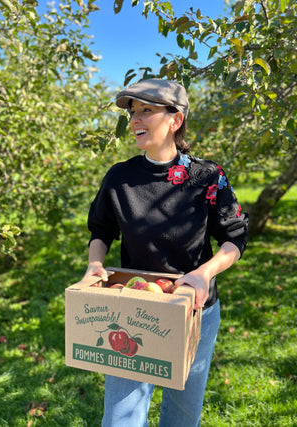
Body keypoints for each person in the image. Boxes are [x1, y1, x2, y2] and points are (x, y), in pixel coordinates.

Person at [83, 78, 249, 427]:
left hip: (193, 310)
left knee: (182, 414)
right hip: (132, 312)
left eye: (146, 111)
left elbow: (234, 237)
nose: (135, 121)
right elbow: (101, 231)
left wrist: (205, 273)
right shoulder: (119, 178)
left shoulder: (206, 176)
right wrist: (95, 265)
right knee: (120, 418)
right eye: (132, 113)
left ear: (175, 120)